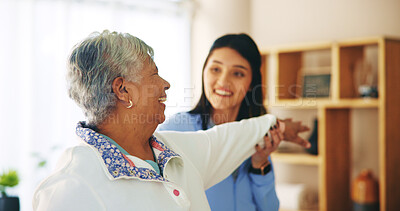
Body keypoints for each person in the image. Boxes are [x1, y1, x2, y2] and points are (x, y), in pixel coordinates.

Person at [32, 30, 309, 211]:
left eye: (238, 73)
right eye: (154, 74)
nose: (166, 84)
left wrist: (282, 127)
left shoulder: (177, 151)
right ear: (123, 90)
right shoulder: (68, 192)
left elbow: (236, 135)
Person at [158, 33, 309, 211]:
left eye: (237, 73)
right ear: (204, 72)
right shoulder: (176, 130)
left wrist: (259, 165)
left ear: (251, 82)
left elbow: (269, 208)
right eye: (216, 69)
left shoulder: (258, 136)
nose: (223, 81)